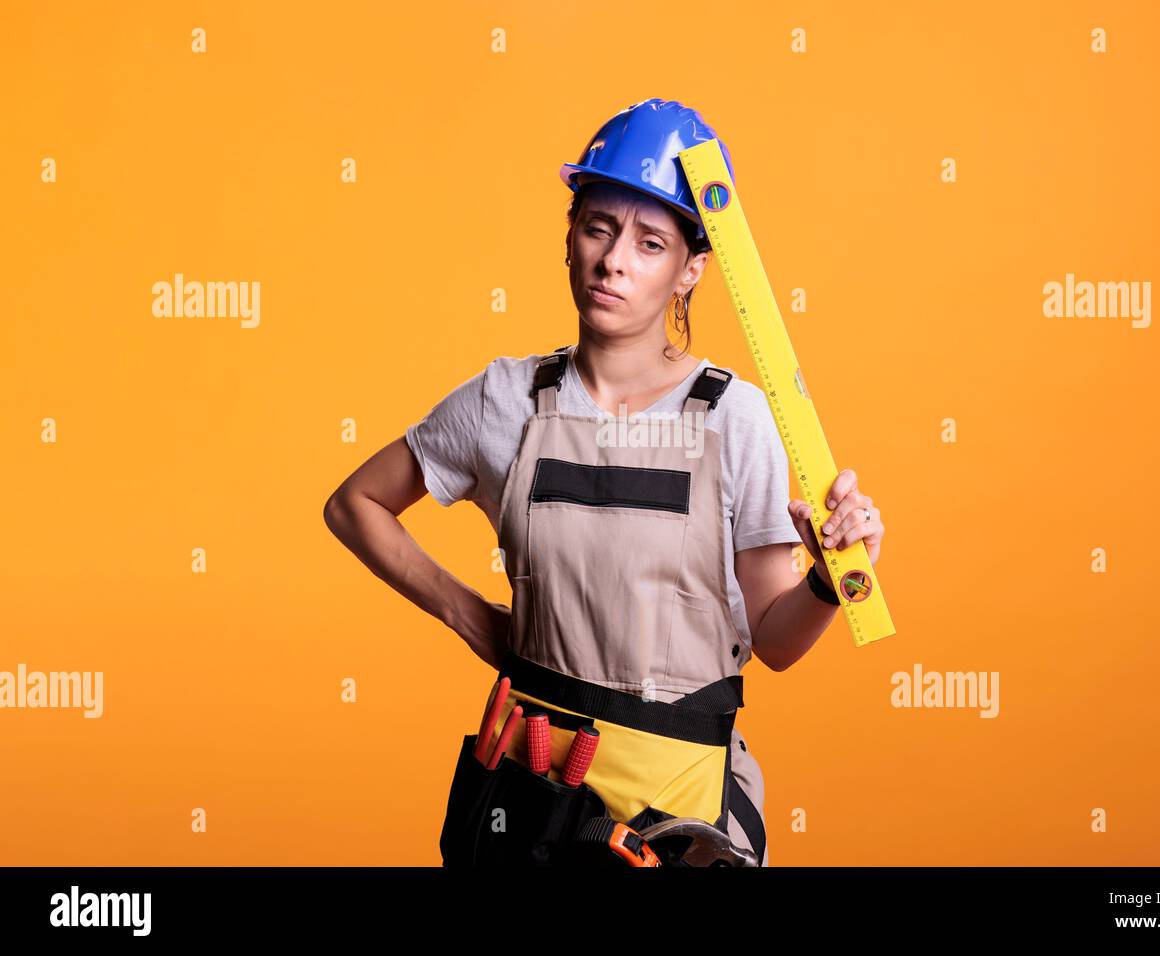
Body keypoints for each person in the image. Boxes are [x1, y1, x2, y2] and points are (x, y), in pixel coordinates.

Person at [323, 98, 885, 867]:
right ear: (570, 238)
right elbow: (354, 503)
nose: (614, 259)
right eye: (598, 227)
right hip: (529, 810)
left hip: (681, 819)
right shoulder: (505, 401)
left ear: (690, 269)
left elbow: (774, 644)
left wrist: (826, 582)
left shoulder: (737, 419)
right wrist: (468, 616)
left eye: (650, 242)